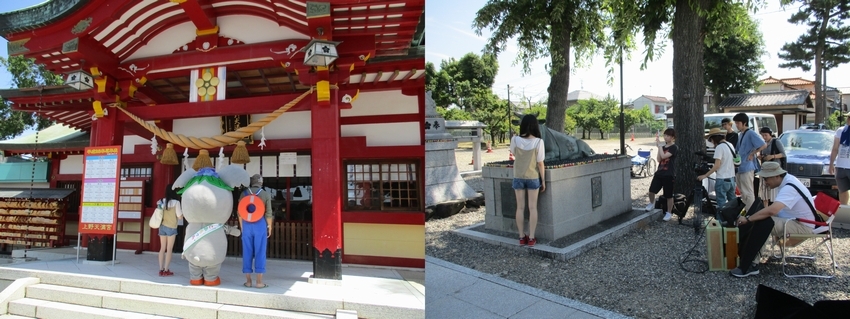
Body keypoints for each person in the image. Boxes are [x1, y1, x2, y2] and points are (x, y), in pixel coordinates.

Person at [729, 161, 816, 278]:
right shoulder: (788, 181)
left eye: (766, 179)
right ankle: (747, 254)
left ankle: (751, 264)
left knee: (764, 223)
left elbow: (772, 211)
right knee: (763, 220)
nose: (765, 182)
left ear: (777, 176)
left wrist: (749, 219)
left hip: (803, 226)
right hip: (796, 220)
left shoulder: (789, 188)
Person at [510, 114, 545, 247]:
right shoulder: (538, 142)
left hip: (518, 176)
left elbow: (514, 153)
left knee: (519, 208)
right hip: (533, 177)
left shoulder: (515, 139)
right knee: (532, 208)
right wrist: (544, 181)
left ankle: (521, 237)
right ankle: (531, 237)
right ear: (536, 126)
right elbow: (540, 163)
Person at [239, 174, 273, 288]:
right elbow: (268, 214)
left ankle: (248, 281)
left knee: (247, 251)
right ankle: (259, 282)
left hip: (246, 224)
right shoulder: (265, 194)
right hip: (260, 225)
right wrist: (269, 227)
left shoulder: (243, 194)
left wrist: (242, 227)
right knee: (260, 251)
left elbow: (240, 213)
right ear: (261, 183)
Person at [733, 113, 766, 211]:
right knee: (742, 192)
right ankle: (746, 211)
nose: (737, 125)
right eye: (736, 123)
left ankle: (751, 213)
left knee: (748, 192)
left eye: (738, 123)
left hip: (747, 166)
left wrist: (753, 153)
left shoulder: (751, 133)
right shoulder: (741, 134)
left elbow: (763, 144)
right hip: (740, 166)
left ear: (744, 123)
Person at [698, 128, 737, 211]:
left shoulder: (719, 147)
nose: (711, 142)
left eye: (711, 140)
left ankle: (722, 222)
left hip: (722, 179)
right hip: (731, 178)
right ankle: (734, 221)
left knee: (721, 204)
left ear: (714, 138)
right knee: (733, 203)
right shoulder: (730, 145)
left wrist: (705, 175)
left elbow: (717, 165)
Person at [645, 128, 677, 221]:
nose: (666, 137)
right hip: (659, 173)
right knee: (651, 191)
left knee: (669, 195)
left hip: (669, 174)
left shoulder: (674, 147)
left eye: (668, 136)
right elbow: (659, 159)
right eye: (665, 135)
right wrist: (660, 147)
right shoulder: (663, 147)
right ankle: (651, 203)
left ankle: (669, 212)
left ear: (673, 137)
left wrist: (659, 146)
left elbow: (664, 156)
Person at [156, 185, 183, 276]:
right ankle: (166, 270)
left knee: (162, 248)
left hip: (162, 226)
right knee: (169, 249)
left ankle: (160, 269)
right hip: (171, 227)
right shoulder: (176, 202)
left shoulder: (161, 201)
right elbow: (179, 216)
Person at [759, 127, 785, 207]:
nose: (764, 137)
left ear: (770, 135)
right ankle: (765, 206)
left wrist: (772, 156)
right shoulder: (763, 143)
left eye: (766, 135)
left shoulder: (776, 141)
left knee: (774, 190)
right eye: (762, 135)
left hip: (774, 168)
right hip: (765, 168)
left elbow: (783, 154)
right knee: (764, 189)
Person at [829, 112, 850, 205]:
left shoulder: (841, 131)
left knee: (843, 191)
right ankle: (845, 211)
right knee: (842, 191)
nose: (847, 119)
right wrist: (831, 164)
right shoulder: (840, 131)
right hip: (841, 167)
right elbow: (835, 149)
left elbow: (835, 149)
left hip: (844, 166)